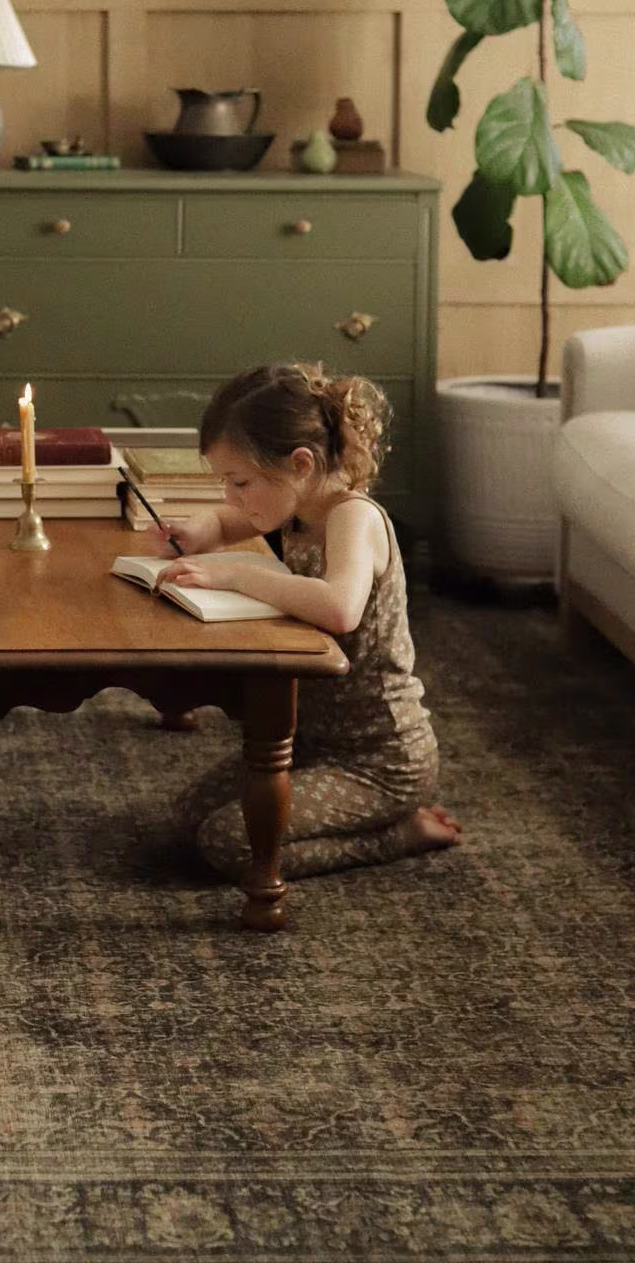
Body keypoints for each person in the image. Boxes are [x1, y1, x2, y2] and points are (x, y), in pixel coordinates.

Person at [146, 361, 462, 882]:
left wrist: (238, 576)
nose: (231, 496)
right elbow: (235, 518)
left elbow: (340, 606)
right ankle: (362, 819)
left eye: (240, 480)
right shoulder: (300, 506)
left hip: (380, 761)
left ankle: (400, 834)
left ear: (300, 463)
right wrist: (201, 531)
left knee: (230, 844)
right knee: (187, 816)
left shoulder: (353, 518)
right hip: (310, 743)